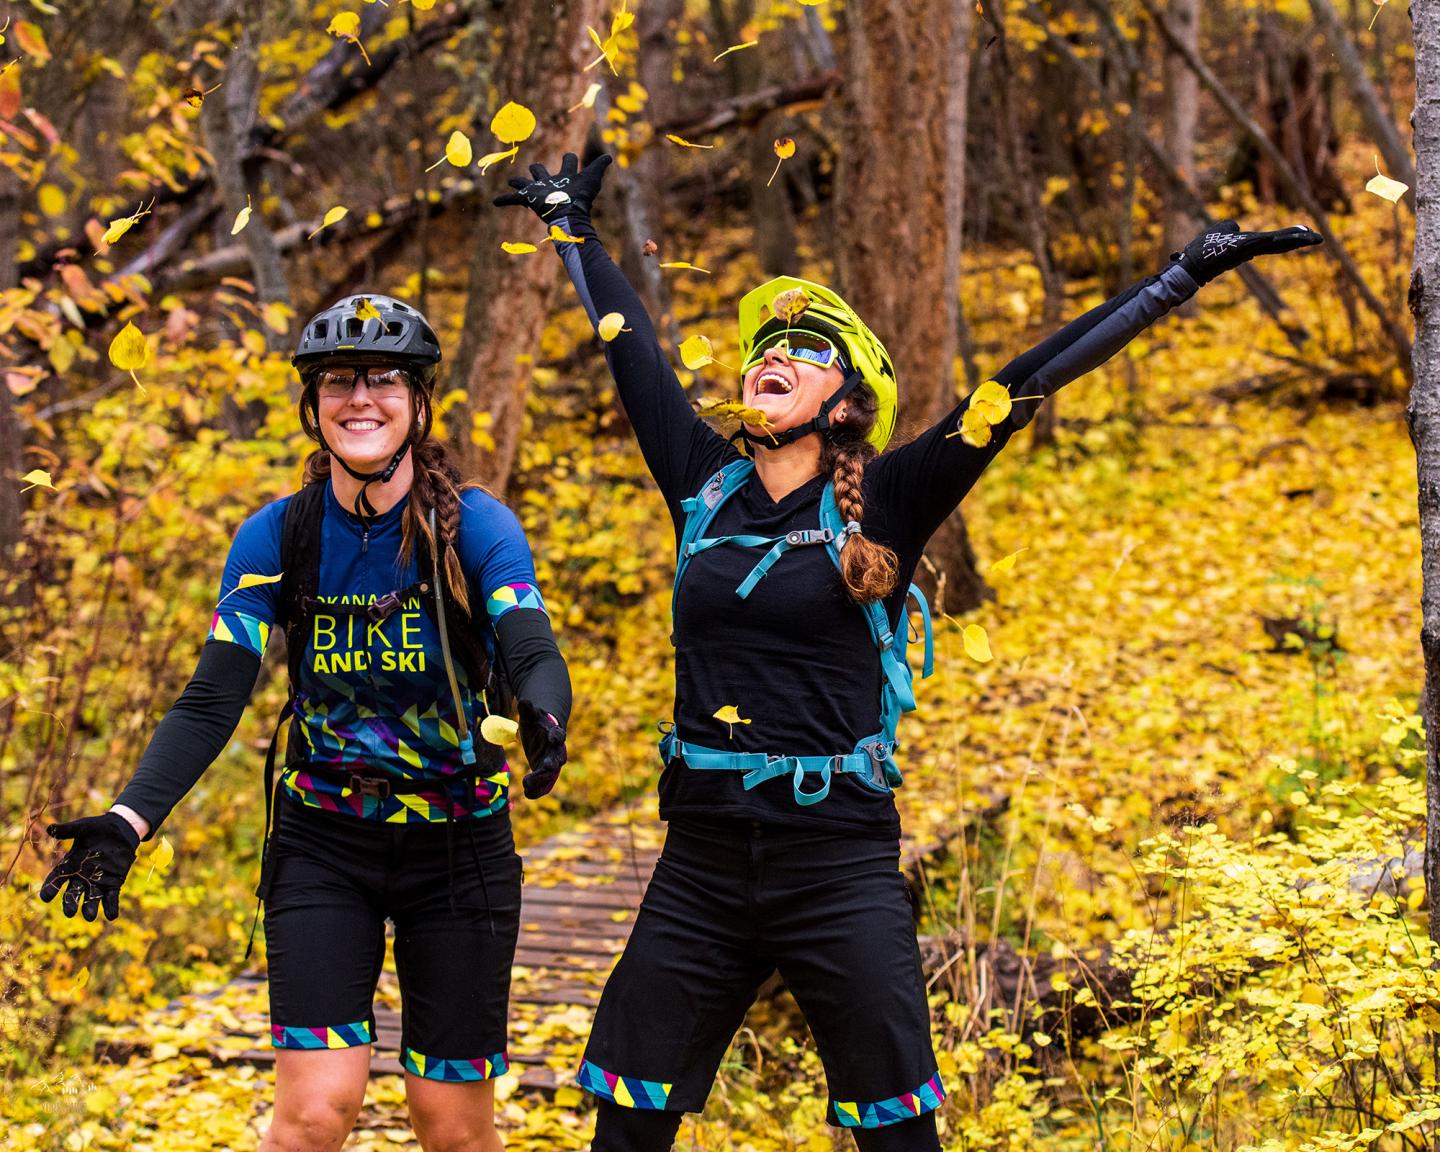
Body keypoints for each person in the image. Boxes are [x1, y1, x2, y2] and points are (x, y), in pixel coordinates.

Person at [498, 153, 1321, 1151]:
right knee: (626, 1125)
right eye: (769, 342)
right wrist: (572, 230)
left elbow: (1022, 384)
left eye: (806, 347)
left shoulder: (885, 497)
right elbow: (630, 350)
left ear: (846, 399)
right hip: (701, 861)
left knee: (896, 1136)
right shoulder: (701, 484)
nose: (776, 351)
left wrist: (1182, 274)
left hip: (837, 860)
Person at [40, 294, 572, 1152]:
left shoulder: (470, 522)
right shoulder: (276, 536)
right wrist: (129, 819)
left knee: (453, 1126)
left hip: (460, 845)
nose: (360, 399)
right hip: (325, 841)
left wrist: (546, 713)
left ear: (418, 403)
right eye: (337, 383)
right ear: (312, 407)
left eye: (383, 381)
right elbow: (213, 697)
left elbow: (529, 641)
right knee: (316, 1112)